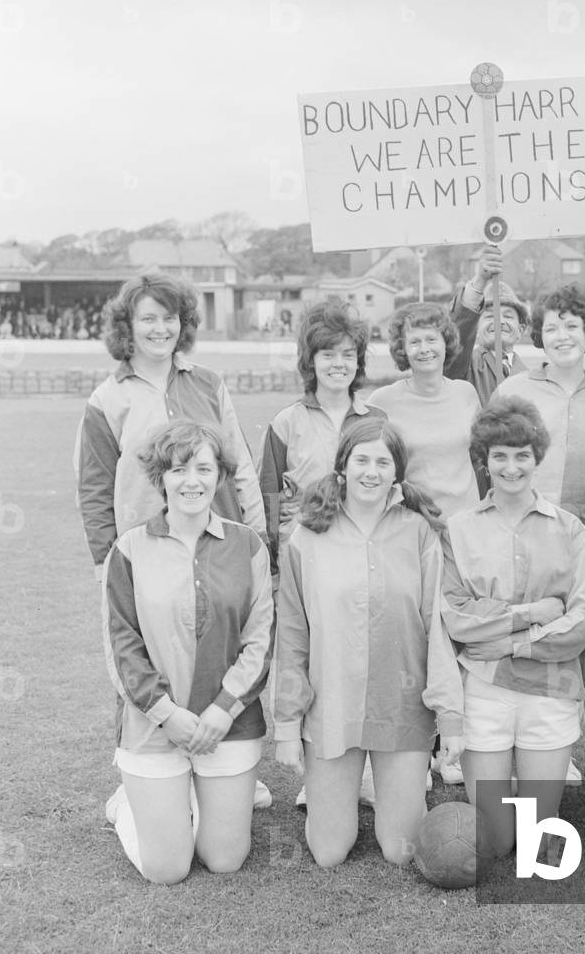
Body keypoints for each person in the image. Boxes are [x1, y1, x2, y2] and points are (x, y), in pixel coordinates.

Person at [76, 272, 271, 809]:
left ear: (182, 323)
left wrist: (256, 533)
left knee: (219, 643)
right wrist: (103, 563)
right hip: (145, 552)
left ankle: (229, 765)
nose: (160, 328)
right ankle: (141, 777)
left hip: (217, 540)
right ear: (127, 327)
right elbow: (94, 485)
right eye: (148, 318)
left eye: (169, 317)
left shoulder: (207, 382)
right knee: (148, 654)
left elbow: (240, 463)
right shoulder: (107, 398)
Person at [272, 420, 464, 867]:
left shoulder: (418, 531)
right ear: (343, 466)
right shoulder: (306, 536)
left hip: (401, 703)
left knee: (402, 851)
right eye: (362, 460)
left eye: (383, 461)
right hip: (332, 705)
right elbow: (293, 635)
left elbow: (437, 627)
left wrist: (450, 716)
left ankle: (395, 788)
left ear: (397, 472)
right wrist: (287, 724)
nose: (371, 472)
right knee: (328, 852)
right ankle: (343, 790)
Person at [102, 420, 274, 884]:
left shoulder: (249, 544)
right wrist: (168, 715)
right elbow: (122, 647)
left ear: (220, 476)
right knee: (167, 870)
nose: (192, 480)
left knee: (224, 859)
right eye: (179, 469)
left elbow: (261, 639)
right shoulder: (130, 548)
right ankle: (128, 806)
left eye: (203, 468)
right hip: (153, 727)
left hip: (229, 724)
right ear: (161, 478)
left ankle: (193, 801)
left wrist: (224, 708)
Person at [441, 396, 585, 859]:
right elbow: (456, 616)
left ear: (537, 458)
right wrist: (531, 614)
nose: (511, 467)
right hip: (483, 690)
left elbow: (583, 618)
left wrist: (514, 645)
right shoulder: (459, 529)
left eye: (522, 455)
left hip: (549, 688)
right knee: (496, 842)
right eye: (500, 456)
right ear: (484, 461)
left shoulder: (569, 529)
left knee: (537, 842)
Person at [257, 299, 385, 573]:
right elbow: (268, 494)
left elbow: (392, 488)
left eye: (348, 355)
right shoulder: (286, 422)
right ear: (310, 361)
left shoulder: (378, 421)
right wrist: (272, 556)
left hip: (364, 555)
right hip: (304, 555)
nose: (339, 364)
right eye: (328, 354)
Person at [496, 282, 585, 549]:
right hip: (524, 533)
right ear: (540, 337)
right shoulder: (512, 391)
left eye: (572, 327)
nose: (562, 337)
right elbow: (489, 461)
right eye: (551, 329)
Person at [367, 302, 480, 519]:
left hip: (467, 523)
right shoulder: (382, 401)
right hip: (413, 524)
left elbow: (479, 456)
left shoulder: (466, 394)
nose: (425, 349)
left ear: (445, 343)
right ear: (402, 349)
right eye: (414, 342)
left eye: (431, 339)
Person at [445, 243, 530, 405]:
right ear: (475, 327)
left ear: (521, 330)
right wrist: (480, 279)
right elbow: (458, 331)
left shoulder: (530, 377)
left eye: (508, 316)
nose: (499, 321)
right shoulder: (464, 363)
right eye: (490, 316)